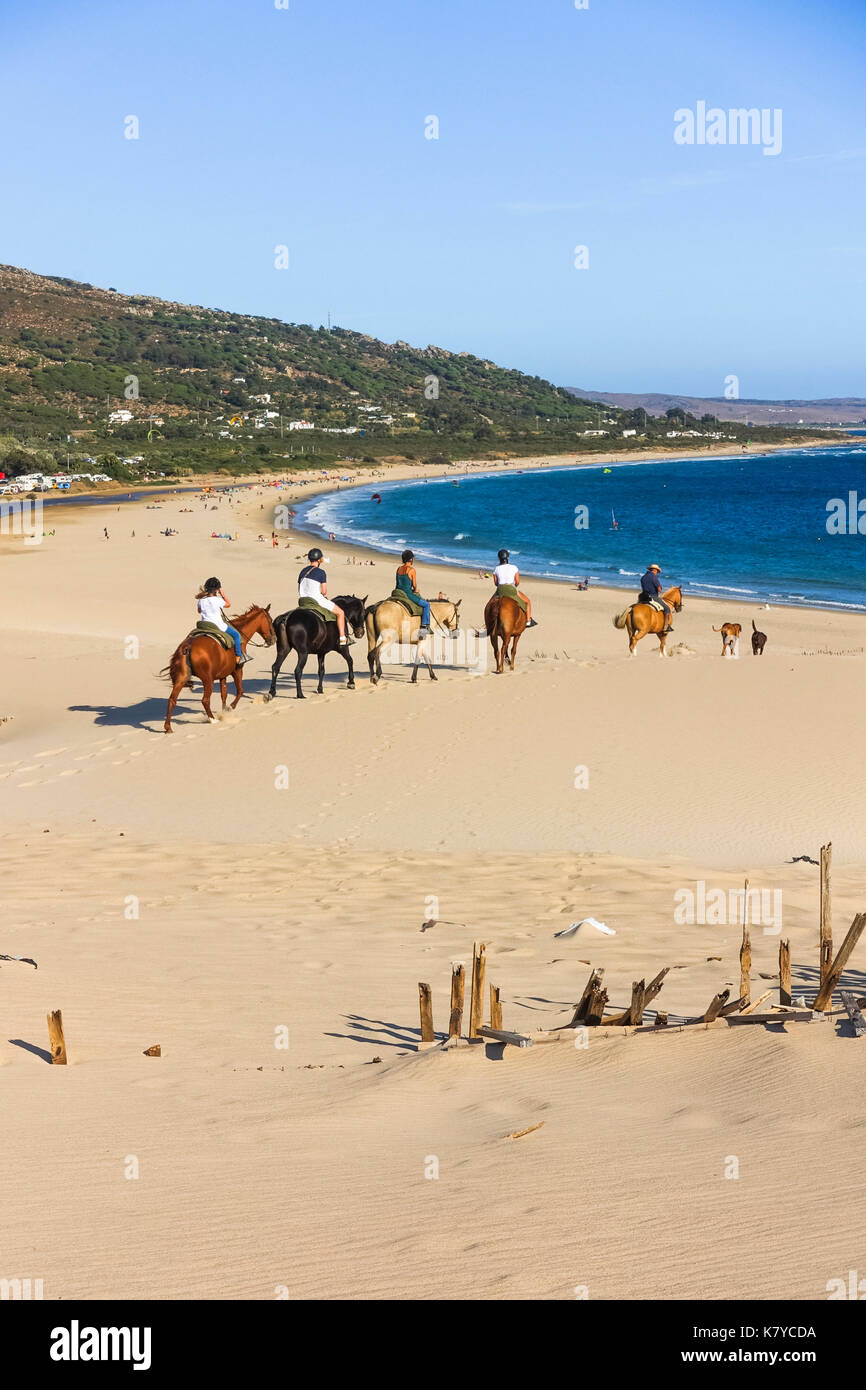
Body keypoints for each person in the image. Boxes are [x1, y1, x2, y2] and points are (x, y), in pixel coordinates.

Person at [298, 547, 349, 645]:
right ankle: (343, 638)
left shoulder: (303, 571)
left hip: (303, 600)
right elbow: (324, 592)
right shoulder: (321, 572)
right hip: (315, 600)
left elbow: (299, 588)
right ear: (319, 560)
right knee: (341, 613)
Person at [196, 577, 249, 663]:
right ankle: (238, 656)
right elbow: (228, 604)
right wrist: (222, 593)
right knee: (236, 635)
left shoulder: (201, 601)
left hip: (204, 625)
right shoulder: (218, 600)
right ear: (216, 590)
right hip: (218, 626)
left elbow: (199, 611)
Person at [492, 549, 537, 627]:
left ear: (499, 558)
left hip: (500, 590)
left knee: (490, 605)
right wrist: (513, 586)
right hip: (511, 589)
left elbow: (496, 583)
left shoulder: (496, 569)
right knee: (527, 602)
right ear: (508, 557)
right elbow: (517, 582)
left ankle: (488, 622)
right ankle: (528, 621)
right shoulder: (514, 567)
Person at [394, 550, 432, 635]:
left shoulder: (398, 569)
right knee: (426, 604)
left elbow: (397, 583)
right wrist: (415, 590)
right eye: (412, 558)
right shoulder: (412, 570)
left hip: (397, 592)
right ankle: (424, 627)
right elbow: (414, 585)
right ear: (411, 559)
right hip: (407, 594)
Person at [638, 563, 672, 633]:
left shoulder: (643, 577)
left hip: (643, 596)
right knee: (667, 609)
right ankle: (666, 627)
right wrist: (660, 588)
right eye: (657, 571)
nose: (657, 573)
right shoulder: (654, 577)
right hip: (653, 597)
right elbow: (659, 589)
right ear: (655, 570)